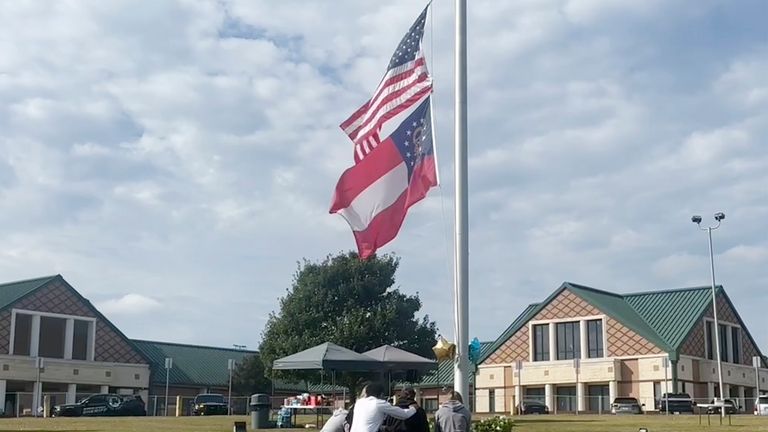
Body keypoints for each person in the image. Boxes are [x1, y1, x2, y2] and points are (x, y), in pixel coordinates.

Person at [350, 382, 417, 432]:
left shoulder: (359, 403)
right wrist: (413, 408)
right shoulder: (379, 403)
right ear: (381, 394)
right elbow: (404, 415)